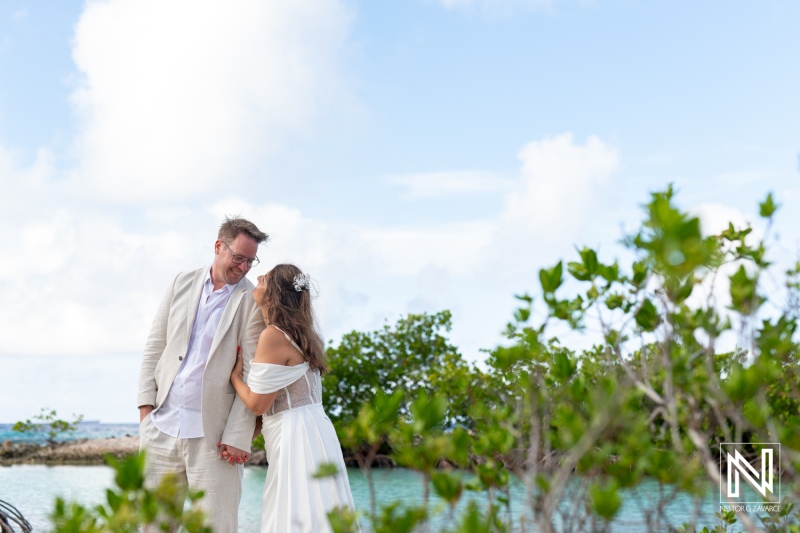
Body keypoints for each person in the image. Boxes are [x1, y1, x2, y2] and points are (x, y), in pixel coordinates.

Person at [137, 216, 269, 532]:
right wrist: (145, 410)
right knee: (152, 526)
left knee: (215, 526)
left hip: (215, 439)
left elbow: (252, 372)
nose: (244, 267)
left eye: (251, 261)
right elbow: (155, 345)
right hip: (160, 429)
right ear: (218, 246)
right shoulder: (181, 282)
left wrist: (239, 436)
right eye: (238, 257)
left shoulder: (252, 302)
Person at [230, 264, 357, 532]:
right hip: (316, 427)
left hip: (294, 434)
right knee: (316, 507)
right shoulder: (305, 334)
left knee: (291, 507)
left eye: (266, 278)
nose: (258, 278)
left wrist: (234, 378)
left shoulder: (273, 336)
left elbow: (258, 404)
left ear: (275, 293)